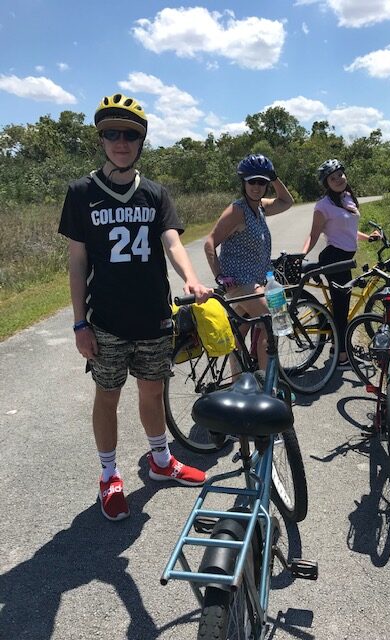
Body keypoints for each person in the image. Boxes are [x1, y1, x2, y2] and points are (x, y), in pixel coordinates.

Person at [58, 93, 212, 522]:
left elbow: (172, 241)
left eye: (129, 134)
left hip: (153, 315)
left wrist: (191, 277)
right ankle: (109, 474)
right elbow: (77, 263)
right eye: (111, 134)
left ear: (141, 141)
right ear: (102, 140)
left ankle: (161, 460)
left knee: (152, 390)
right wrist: (78, 323)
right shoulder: (81, 193)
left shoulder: (155, 193)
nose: (120, 142)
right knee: (107, 395)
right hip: (106, 320)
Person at [204, 154, 294, 371]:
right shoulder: (237, 211)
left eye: (261, 182)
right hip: (240, 285)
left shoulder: (260, 207)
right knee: (270, 323)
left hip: (257, 283)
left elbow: (287, 202)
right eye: (251, 181)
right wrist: (220, 276)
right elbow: (209, 243)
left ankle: (239, 383)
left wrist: (274, 177)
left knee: (239, 334)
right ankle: (267, 386)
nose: (256, 186)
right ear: (243, 182)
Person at [301, 159, 379, 369]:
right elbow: (314, 234)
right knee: (342, 308)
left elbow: (349, 230)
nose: (338, 180)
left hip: (345, 258)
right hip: (334, 258)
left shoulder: (346, 197)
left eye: (340, 175)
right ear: (326, 183)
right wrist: (300, 255)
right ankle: (342, 357)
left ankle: (337, 348)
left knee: (340, 306)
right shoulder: (323, 206)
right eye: (332, 178)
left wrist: (367, 238)